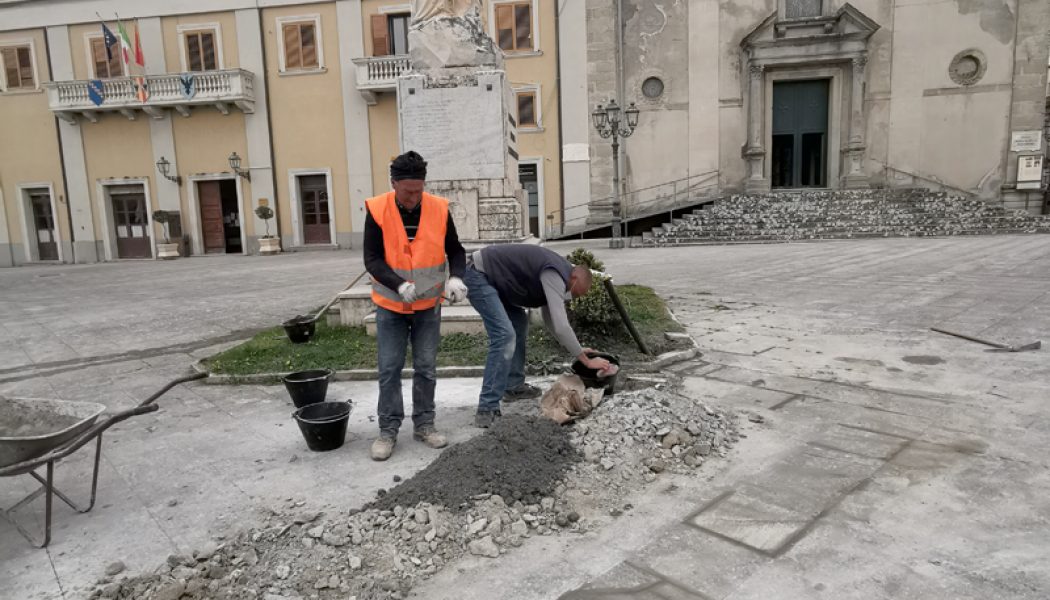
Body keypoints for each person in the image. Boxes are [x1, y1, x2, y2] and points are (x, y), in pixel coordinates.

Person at [363, 151, 469, 461]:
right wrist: (398, 284)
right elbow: (371, 258)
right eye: (407, 191)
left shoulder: (438, 208)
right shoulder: (377, 209)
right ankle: (388, 430)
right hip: (391, 304)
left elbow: (456, 250)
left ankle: (424, 423)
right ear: (393, 184)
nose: (414, 197)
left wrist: (457, 279)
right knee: (390, 368)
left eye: (419, 190)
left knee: (426, 368)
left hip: (427, 305)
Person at [464, 244, 612, 427]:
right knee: (504, 335)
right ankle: (487, 408)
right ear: (574, 277)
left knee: (518, 323)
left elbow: (551, 321)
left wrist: (578, 350)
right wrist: (586, 360)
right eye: (575, 292)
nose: (573, 296)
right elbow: (561, 325)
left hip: (493, 279)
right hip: (478, 274)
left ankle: (513, 387)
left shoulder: (560, 275)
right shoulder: (555, 274)